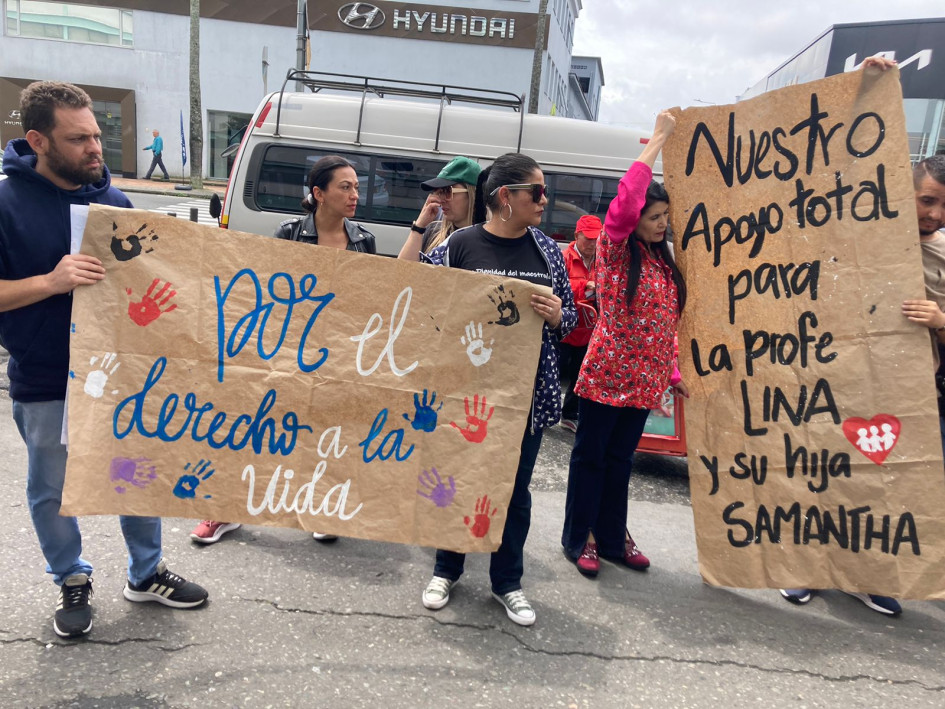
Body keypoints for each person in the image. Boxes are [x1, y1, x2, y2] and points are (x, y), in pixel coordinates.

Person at [0, 81, 208, 639]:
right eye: (79, 139)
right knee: (53, 488)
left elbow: (145, 290)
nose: (96, 148)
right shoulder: (5, 202)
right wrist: (50, 281)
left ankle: (147, 572)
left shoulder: (114, 204)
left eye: (96, 135)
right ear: (37, 140)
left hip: (120, 372)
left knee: (135, 471)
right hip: (44, 376)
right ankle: (70, 577)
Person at [416, 152, 577, 626]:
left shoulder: (547, 250)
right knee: (457, 479)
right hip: (464, 392)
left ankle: (507, 583)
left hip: (521, 401)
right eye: (537, 192)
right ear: (506, 197)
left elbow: (568, 319)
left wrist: (555, 316)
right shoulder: (461, 244)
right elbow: (424, 304)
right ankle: (447, 569)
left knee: (514, 491)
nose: (545, 201)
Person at [190, 155, 376, 545]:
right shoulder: (290, 232)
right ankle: (225, 510)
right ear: (319, 193)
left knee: (328, 434)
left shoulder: (362, 239)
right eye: (345, 186)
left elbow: (366, 299)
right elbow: (269, 293)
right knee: (255, 428)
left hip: (338, 352)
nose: (354, 194)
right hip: (287, 348)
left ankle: (321, 508)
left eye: (357, 187)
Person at [780, 56, 908, 617]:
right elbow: (827, 143)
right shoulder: (809, 230)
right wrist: (862, 83)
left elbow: (868, 149)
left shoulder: (895, 238)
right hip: (815, 370)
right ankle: (804, 566)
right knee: (813, 470)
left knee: (870, 482)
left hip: (881, 374)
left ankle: (864, 573)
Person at [561, 111, 688, 579]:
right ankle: (582, 537)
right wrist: (658, 140)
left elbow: (663, 326)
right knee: (591, 457)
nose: (661, 225)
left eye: (665, 218)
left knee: (620, 461)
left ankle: (614, 536)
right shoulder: (615, 251)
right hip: (606, 376)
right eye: (654, 217)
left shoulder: (662, 263)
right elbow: (628, 194)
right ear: (633, 220)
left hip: (643, 382)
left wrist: (673, 376)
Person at [558, 214, 602, 432]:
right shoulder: (564, 257)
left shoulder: (602, 261)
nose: (593, 244)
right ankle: (540, 411)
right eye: (588, 239)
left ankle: (569, 414)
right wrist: (586, 287)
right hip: (563, 329)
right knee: (551, 374)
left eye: (597, 239)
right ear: (577, 236)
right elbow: (557, 291)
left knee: (579, 376)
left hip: (588, 332)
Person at [398, 156, 481, 261]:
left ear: (472, 195)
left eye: (448, 191)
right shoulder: (434, 231)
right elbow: (403, 271)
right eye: (439, 192)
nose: (440, 199)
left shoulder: (486, 238)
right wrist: (419, 226)